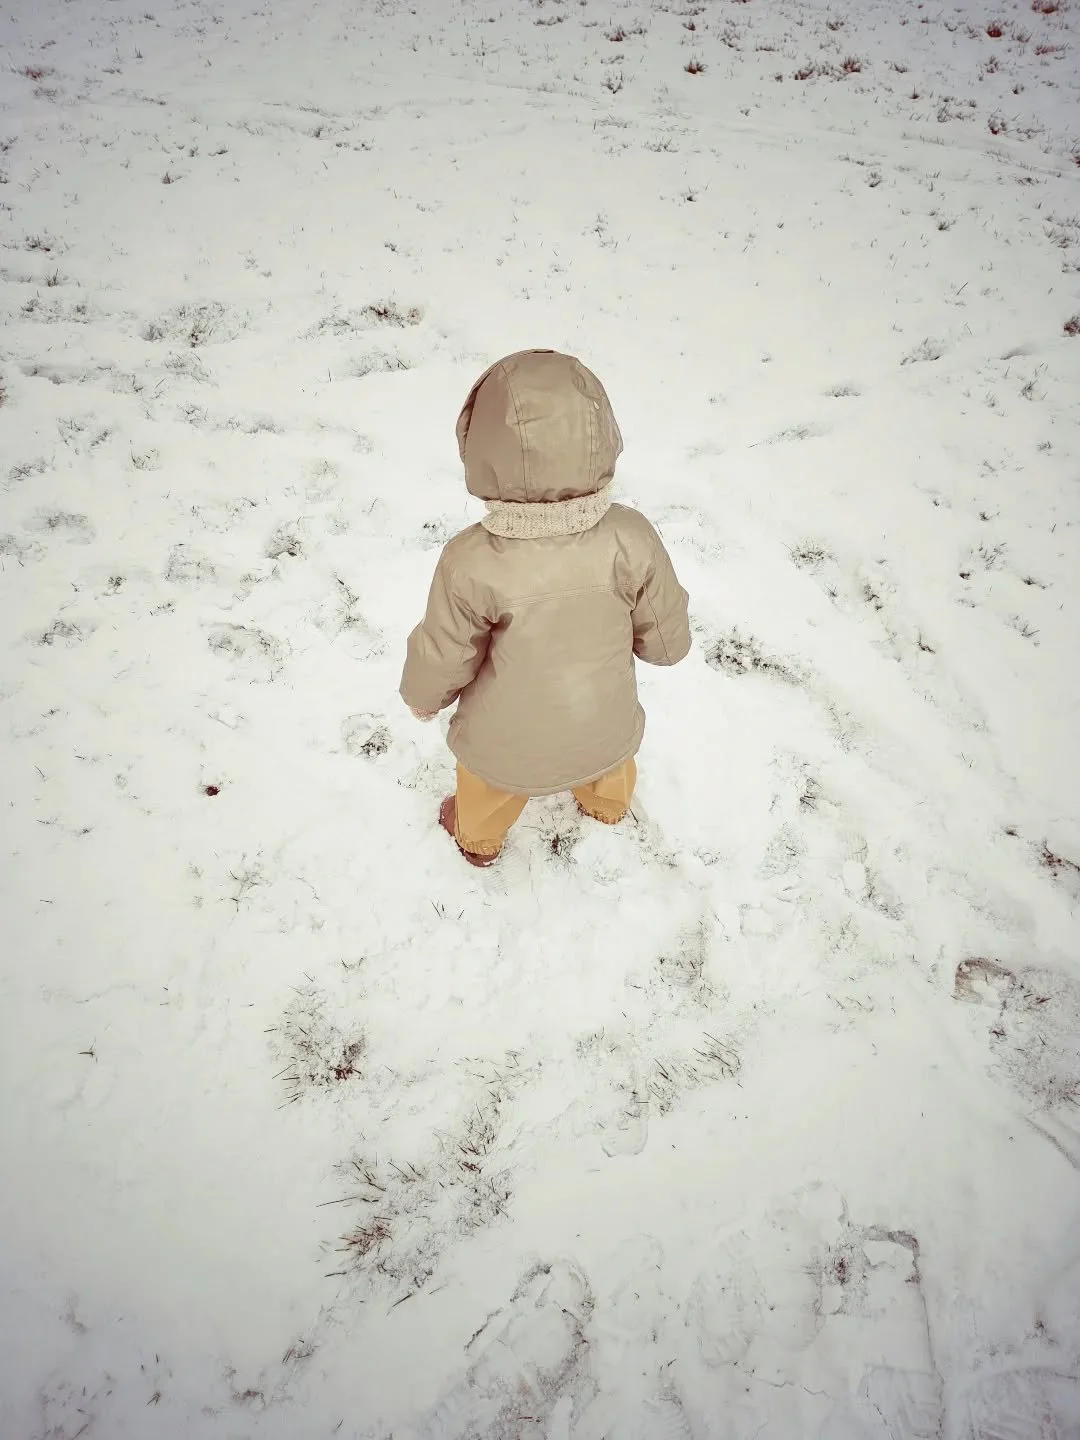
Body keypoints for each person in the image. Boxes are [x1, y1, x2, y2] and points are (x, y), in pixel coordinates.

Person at [400, 348, 690, 868]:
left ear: (480, 447)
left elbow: (444, 650)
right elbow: (666, 642)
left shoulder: (471, 561)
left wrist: (423, 696)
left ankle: (480, 838)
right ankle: (606, 804)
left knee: (488, 784)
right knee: (611, 762)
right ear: (602, 436)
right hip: (605, 726)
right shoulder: (631, 538)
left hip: (506, 748)